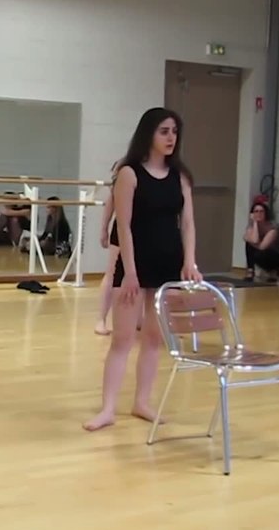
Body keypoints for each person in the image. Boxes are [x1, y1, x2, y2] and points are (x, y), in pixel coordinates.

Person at [84, 107, 199, 432]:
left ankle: (142, 402)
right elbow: (126, 226)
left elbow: (188, 223)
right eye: (164, 131)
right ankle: (108, 408)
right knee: (122, 339)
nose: (170, 138)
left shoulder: (181, 176)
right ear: (149, 133)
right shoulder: (129, 173)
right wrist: (131, 271)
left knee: (153, 338)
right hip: (136, 264)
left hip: (169, 264)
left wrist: (189, 261)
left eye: (174, 131)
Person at [94, 160, 122, 335]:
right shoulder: (126, 167)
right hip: (122, 229)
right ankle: (101, 319)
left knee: (144, 278)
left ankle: (140, 318)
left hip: (145, 232)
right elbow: (111, 202)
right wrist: (104, 229)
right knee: (112, 274)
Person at [242, 201, 279, 281]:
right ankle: (250, 271)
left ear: (266, 213)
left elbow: (262, 246)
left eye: (261, 211)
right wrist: (255, 223)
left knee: (259, 250)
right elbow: (254, 240)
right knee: (249, 245)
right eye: (256, 211)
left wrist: (249, 240)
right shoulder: (252, 225)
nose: (259, 214)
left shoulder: (273, 226)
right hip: (262, 252)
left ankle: (274, 271)